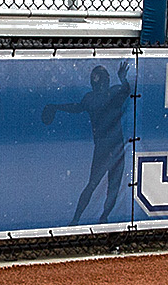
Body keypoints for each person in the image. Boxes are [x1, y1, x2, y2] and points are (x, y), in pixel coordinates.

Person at [42, 61, 139, 223]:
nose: (104, 80)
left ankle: (94, 218)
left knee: (104, 186)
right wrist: (123, 80)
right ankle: (85, 218)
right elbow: (78, 107)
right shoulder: (98, 96)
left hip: (111, 147)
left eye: (105, 77)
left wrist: (56, 107)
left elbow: (78, 107)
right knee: (100, 186)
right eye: (102, 77)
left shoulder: (100, 96)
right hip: (108, 147)